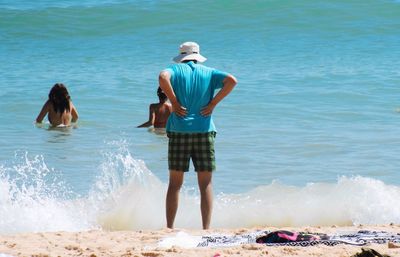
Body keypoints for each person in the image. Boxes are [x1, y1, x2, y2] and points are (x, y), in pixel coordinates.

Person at [159, 42, 237, 229]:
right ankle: (206, 229)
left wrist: (175, 103)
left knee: (175, 184)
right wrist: (213, 104)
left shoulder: (175, 70)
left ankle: (170, 227)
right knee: (206, 183)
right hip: (204, 130)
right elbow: (232, 80)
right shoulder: (209, 72)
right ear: (197, 56)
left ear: (181, 56)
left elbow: (163, 76)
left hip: (179, 131)